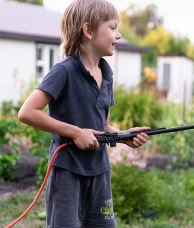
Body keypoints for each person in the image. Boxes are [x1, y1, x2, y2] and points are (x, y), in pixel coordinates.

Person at [18, 0, 150, 227]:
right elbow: (27, 112)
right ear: (88, 30)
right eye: (112, 27)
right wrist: (76, 133)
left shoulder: (106, 74)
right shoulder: (64, 71)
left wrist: (123, 136)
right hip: (68, 170)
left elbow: (104, 125)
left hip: (100, 171)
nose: (118, 35)